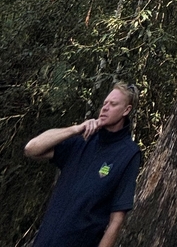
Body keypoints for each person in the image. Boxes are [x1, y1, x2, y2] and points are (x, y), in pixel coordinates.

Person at [24, 82, 142, 247]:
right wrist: (75, 129)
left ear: (126, 110)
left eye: (113, 104)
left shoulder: (128, 154)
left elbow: (117, 219)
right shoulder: (83, 139)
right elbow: (32, 148)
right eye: (105, 103)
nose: (105, 108)